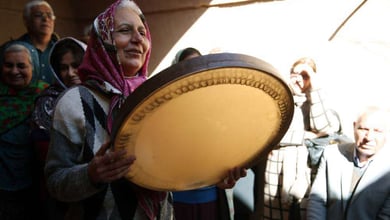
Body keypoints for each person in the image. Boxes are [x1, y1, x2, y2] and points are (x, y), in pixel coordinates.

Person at [44, 1, 246, 219]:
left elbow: (175, 164)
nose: (138, 39)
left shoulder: (159, 96)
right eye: (124, 31)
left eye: (142, 32)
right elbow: (55, 182)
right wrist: (90, 175)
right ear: (103, 41)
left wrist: (214, 175)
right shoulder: (74, 102)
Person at [252, 57, 342, 220]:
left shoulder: (318, 101)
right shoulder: (278, 99)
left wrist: (314, 89)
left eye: (305, 75)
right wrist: (305, 136)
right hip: (275, 171)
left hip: (305, 173)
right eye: (295, 73)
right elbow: (269, 135)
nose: (299, 79)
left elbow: (324, 128)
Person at [171, 47, 240, 220]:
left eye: (198, 64)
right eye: (188, 66)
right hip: (179, 201)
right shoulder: (169, 108)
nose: (194, 70)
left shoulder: (215, 107)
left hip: (213, 199)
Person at [31, 37, 86, 219]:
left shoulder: (101, 95)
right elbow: (47, 154)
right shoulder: (48, 102)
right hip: (63, 195)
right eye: (64, 68)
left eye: (76, 65)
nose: (71, 73)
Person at [307, 105, 390, 219]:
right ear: (354, 127)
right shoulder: (332, 154)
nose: (369, 137)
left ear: (387, 134)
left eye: (377, 131)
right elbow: (317, 200)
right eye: (363, 129)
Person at [0, 43, 49, 220]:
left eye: (21, 66)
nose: (14, 71)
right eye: (8, 65)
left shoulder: (45, 97)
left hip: (36, 188)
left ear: (33, 68)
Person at [1, 0, 59, 84]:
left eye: (49, 15)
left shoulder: (61, 50)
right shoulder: (10, 50)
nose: (45, 19)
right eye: (38, 15)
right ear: (26, 20)